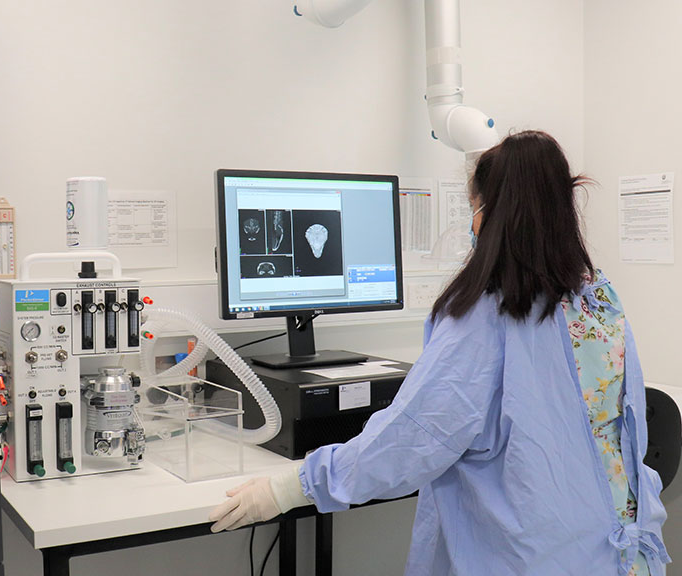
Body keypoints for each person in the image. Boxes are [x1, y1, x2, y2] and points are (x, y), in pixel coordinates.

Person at [209, 131, 671, 576]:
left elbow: (411, 438)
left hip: (530, 556)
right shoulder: (597, 299)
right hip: (617, 549)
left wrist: (292, 486)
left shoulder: (487, 314)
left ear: (491, 214)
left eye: (475, 208)